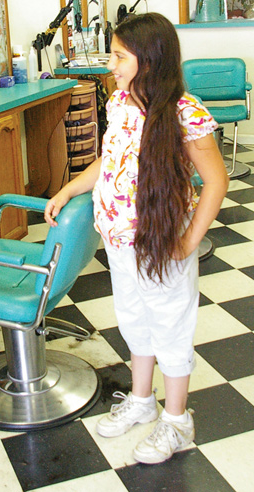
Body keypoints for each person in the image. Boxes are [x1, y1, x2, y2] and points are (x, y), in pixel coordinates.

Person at [45, 13, 229, 465]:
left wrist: (187, 243)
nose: (111, 65)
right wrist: (71, 187)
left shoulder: (186, 112)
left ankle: (176, 420)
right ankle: (143, 399)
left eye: (119, 56)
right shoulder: (121, 102)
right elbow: (109, 161)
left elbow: (216, 181)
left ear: (149, 60)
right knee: (133, 318)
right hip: (118, 238)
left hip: (160, 241)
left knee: (170, 328)